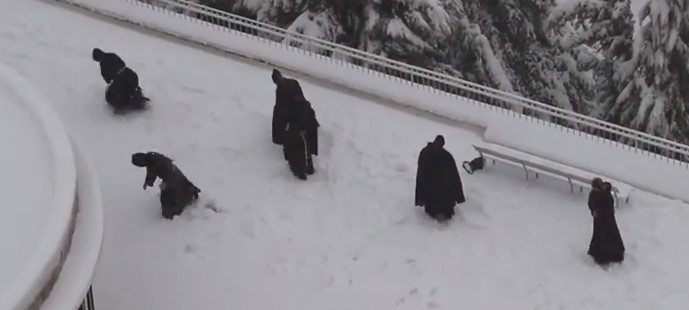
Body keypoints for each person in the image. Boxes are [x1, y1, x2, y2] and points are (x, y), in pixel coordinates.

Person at [131, 152, 200, 219]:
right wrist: (148, 182)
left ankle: (174, 211)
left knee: (168, 199)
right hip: (174, 175)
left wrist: (165, 184)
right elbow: (151, 171)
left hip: (173, 179)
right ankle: (190, 194)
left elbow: (165, 172)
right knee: (179, 188)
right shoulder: (150, 158)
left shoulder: (154, 162)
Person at [415, 135, 466, 222]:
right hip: (444, 199)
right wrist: (459, 197)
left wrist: (420, 198)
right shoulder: (447, 156)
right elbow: (455, 178)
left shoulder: (424, 153)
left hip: (430, 197)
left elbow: (420, 176)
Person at [271, 69, 319, 154]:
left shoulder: (290, 86)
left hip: (299, 114)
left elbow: (281, 108)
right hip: (299, 112)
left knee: (297, 134)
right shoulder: (290, 85)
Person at [92, 48, 149, 113]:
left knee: (110, 96)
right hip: (131, 74)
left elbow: (108, 79)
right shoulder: (111, 55)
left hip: (121, 81)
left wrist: (115, 77)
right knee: (129, 88)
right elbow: (122, 63)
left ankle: (131, 103)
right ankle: (136, 94)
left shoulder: (103, 65)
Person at [587, 178, 625, 266]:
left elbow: (593, 206)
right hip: (606, 220)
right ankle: (609, 255)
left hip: (602, 220)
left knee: (602, 238)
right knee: (608, 237)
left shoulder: (596, 195)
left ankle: (602, 255)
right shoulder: (602, 194)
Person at [282, 110, 315, 180]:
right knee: (303, 147)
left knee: (297, 149)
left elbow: (287, 142)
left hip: (295, 130)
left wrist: (286, 154)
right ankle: (307, 167)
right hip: (300, 128)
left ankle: (300, 169)